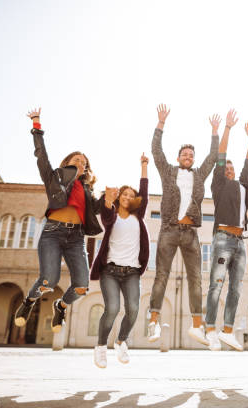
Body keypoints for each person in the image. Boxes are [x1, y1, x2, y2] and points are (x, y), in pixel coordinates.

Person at [15, 108, 103, 333]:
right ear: (68, 163)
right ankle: (28, 302)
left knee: (82, 286)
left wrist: (110, 199)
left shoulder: (87, 190)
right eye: (77, 160)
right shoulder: (54, 177)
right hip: (53, 233)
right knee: (48, 280)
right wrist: (36, 126)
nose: (81, 164)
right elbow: (41, 156)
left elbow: (97, 210)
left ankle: (61, 306)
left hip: (76, 238)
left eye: (84, 162)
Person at [147, 104, 219, 345]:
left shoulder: (199, 175)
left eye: (191, 155)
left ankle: (197, 325)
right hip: (168, 230)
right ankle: (153, 320)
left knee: (196, 278)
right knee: (162, 276)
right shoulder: (168, 171)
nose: (188, 157)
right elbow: (156, 151)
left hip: (190, 233)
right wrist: (160, 124)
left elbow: (212, 158)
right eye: (184, 154)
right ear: (178, 158)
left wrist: (215, 132)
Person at [91, 154, 149, 368]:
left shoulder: (138, 216)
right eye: (124, 193)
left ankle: (121, 341)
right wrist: (107, 199)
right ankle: (100, 347)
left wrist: (143, 165)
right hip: (110, 271)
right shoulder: (112, 216)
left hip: (132, 272)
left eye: (131, 195)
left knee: (133, 308)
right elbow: (105, 212)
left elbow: (144, 190)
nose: (128, 196)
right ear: (119, 197)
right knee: (113, 308)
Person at [204, 110, 248, 351]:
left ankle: (227, 330)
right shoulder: (219, 184)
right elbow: (220, 155)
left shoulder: (243, 186)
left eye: (231, 168)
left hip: (241, 242)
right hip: (223, 238)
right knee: (217, 283)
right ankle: (210, 329)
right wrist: (228, 129)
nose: (229, 170)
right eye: (226, 168)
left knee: (236, 288)